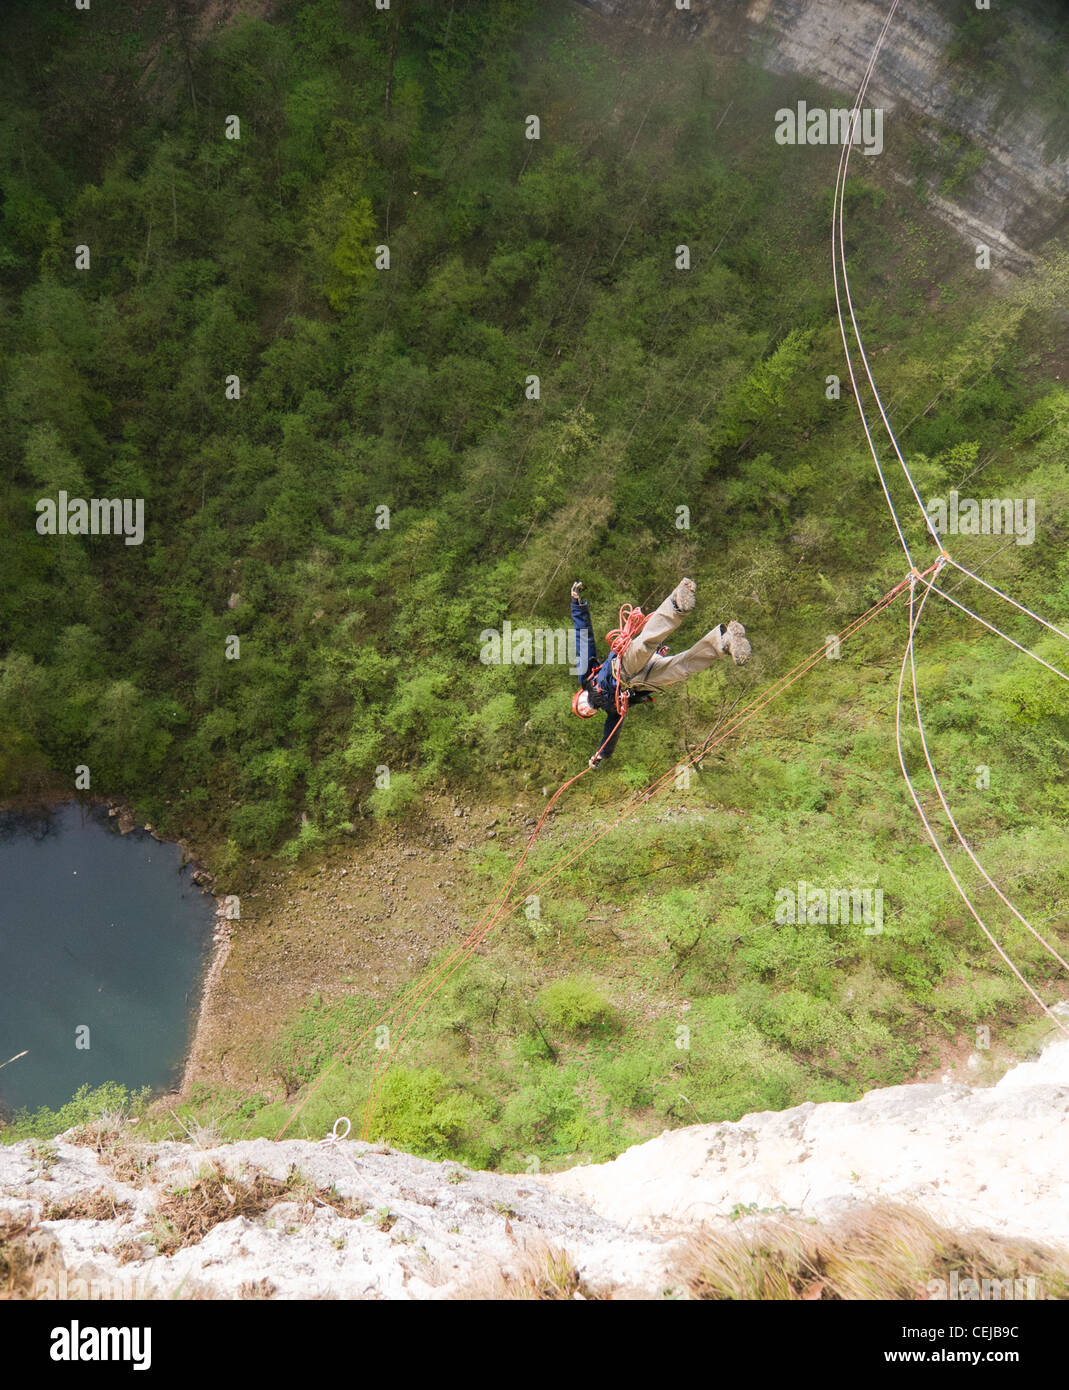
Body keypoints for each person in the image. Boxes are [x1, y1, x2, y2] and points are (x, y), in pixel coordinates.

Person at [570, 577, 751, 766]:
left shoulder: (588, 676)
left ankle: (676, 604)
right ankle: (723, 642)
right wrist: (601, 754)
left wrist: (577, 605)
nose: (585, 710)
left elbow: (583, 640)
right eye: (586, 714)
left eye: (580, 707)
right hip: (640, 683)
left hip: (621, 668)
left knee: (644, 644)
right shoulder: (612, 710)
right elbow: (611, 734)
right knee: (680, 669)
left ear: (580, 694)